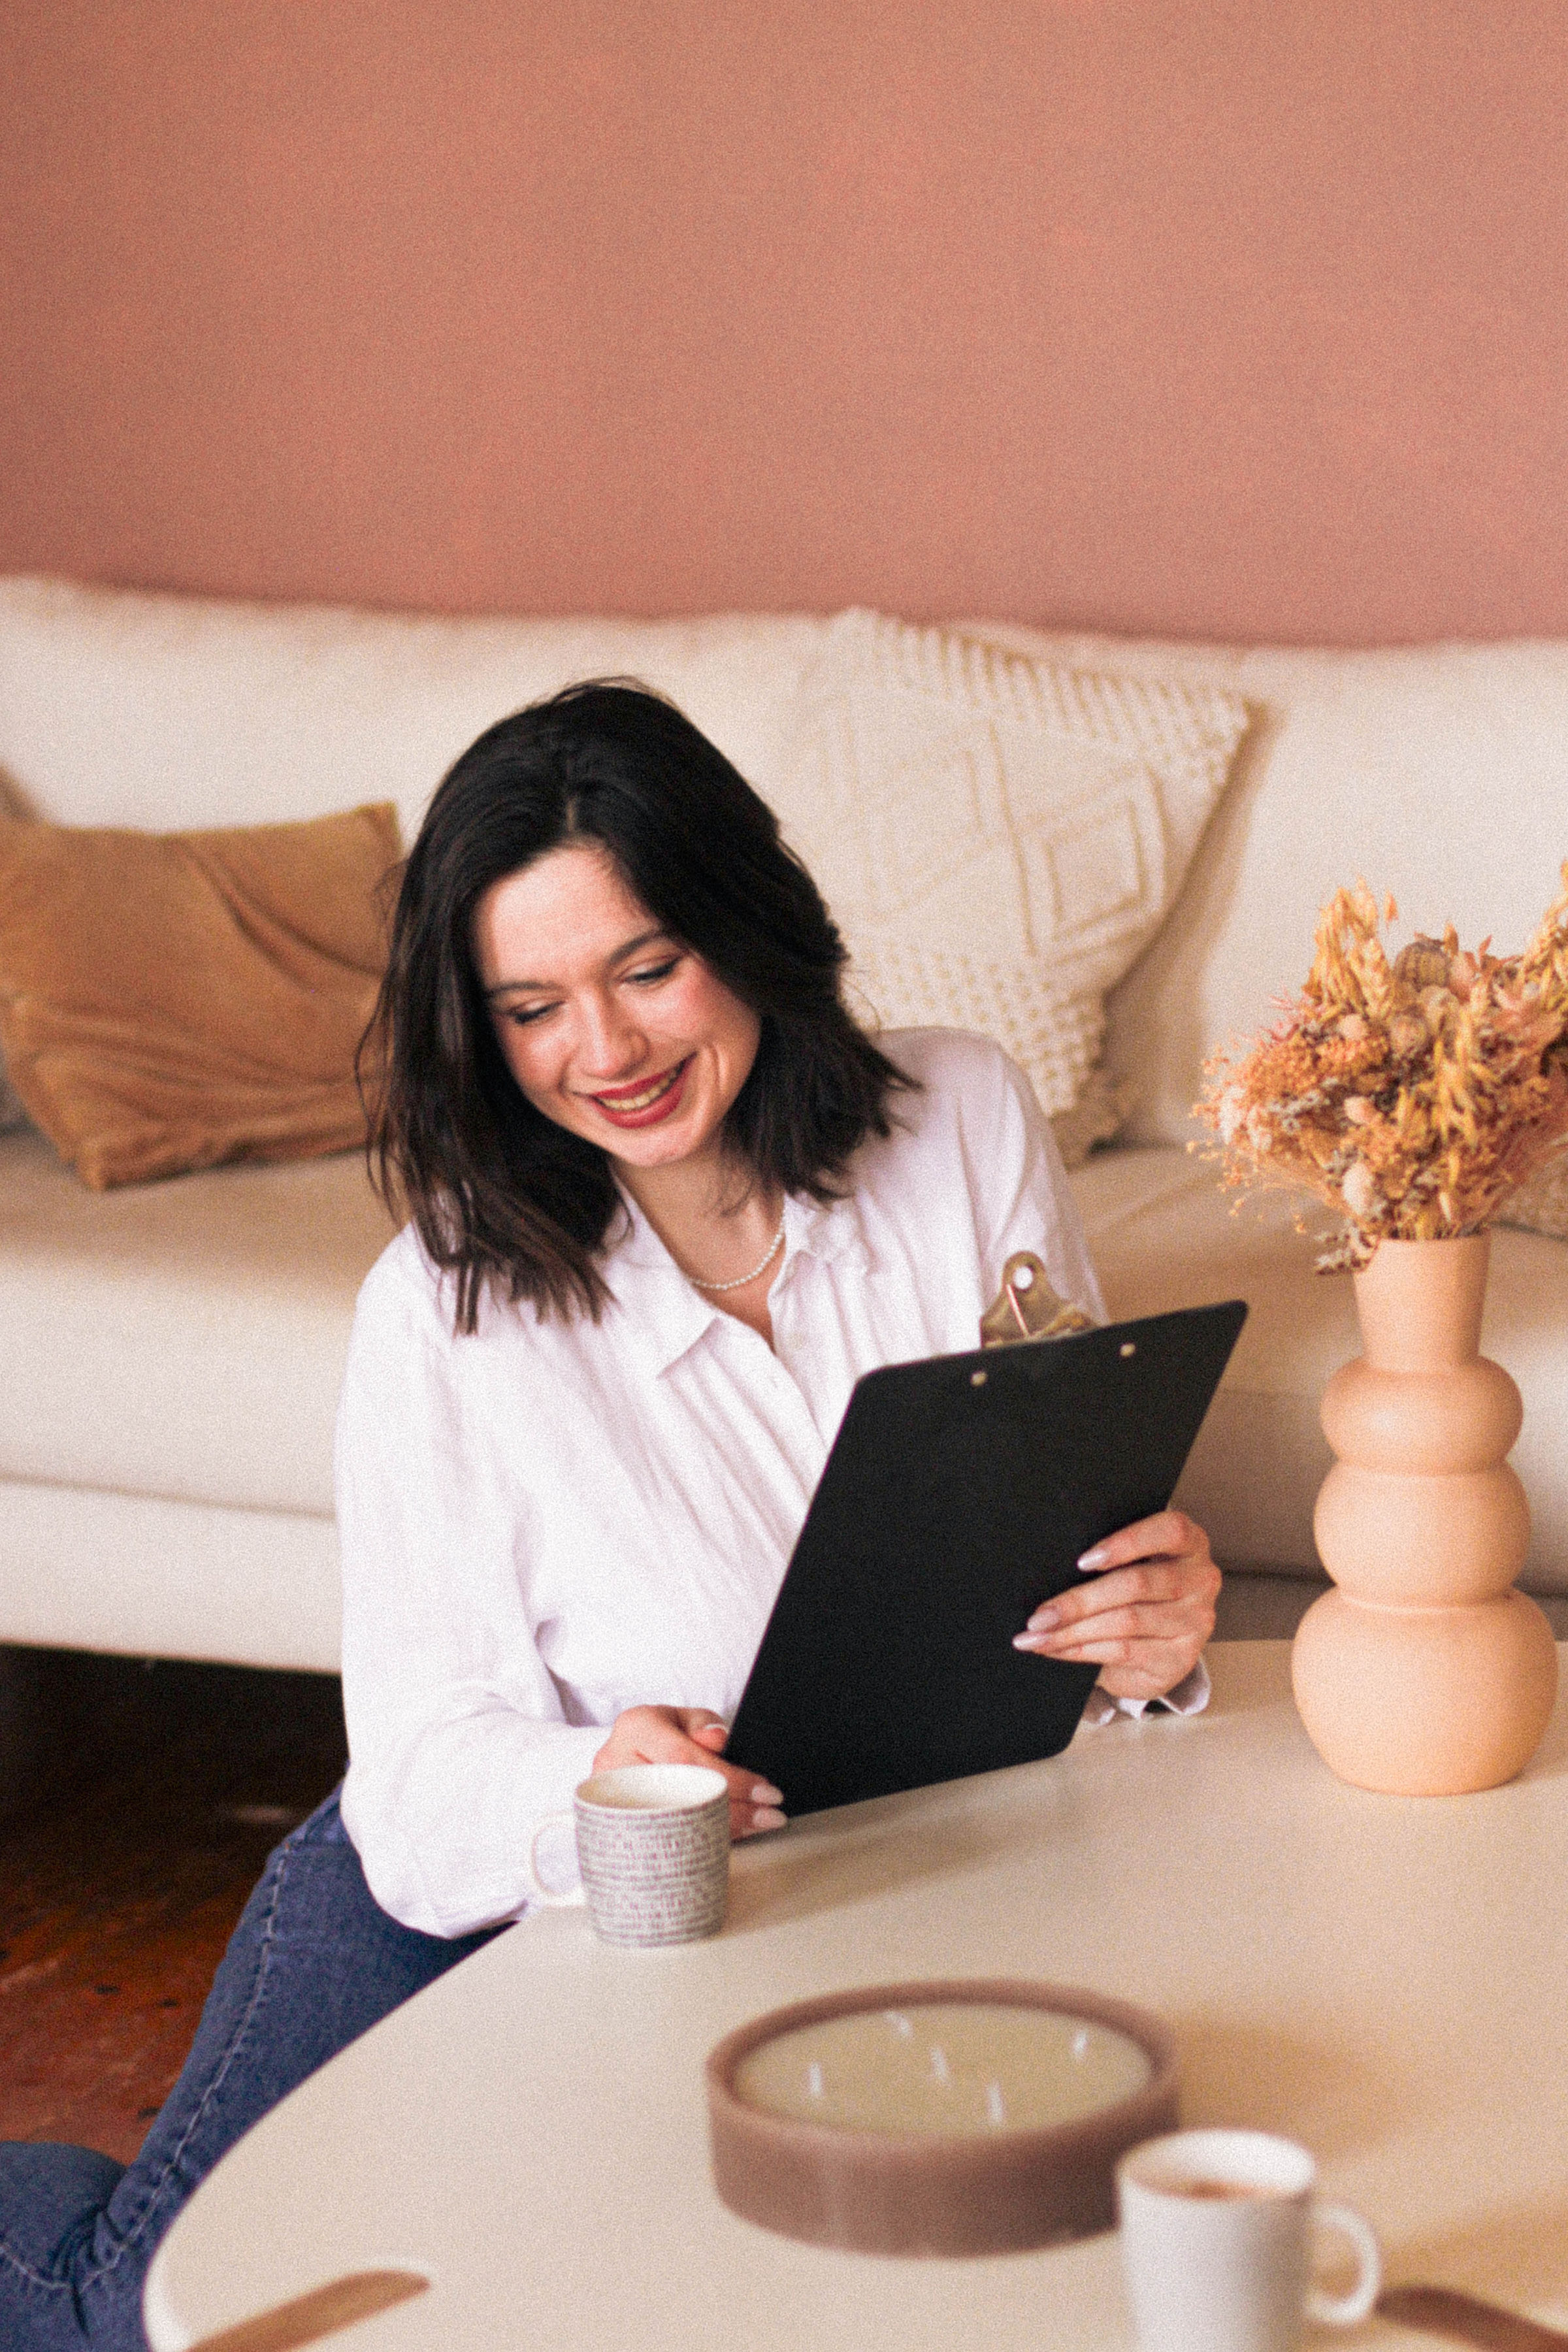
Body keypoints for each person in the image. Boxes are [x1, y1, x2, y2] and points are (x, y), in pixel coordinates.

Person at [0, 683, 1218, 2345]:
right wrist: (603, 1779)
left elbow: (1066, 1531)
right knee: (144, 2317)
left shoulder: (961, 1120)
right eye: (533, 1007)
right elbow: (417, 1802)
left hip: (803, 1921)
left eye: (648, 970)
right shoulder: (442, 1310)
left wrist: (1152, 1628)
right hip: (459, 1907)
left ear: (745, 925)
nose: (607, 1052)